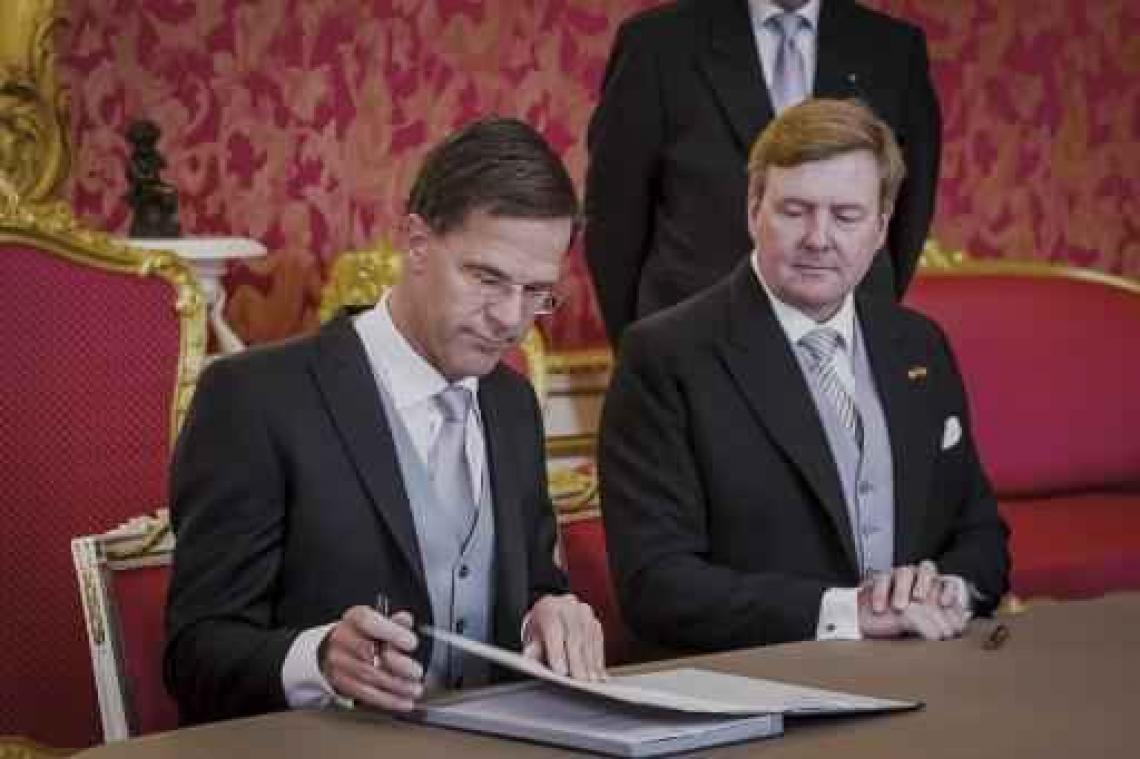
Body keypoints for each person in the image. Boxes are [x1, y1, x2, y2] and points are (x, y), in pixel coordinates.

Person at [164, 117, 606, 724]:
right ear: (417, 243)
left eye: (536, 291)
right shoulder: (253, 399)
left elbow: (533, 583)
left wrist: (547, 615)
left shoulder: (513, 404)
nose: (510, 318)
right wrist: (318, 659)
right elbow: (194, 655)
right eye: (487, 279)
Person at [598, 99, 1007, 653]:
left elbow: (981, 535)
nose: (818, 238)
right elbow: (657, 586)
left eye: (846, 216)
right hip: (759, 681)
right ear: (753, 211)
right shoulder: (664, 356)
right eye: (795, 211)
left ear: (881, 227)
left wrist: (946, 589)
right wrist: (846, 613)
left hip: (925, 669)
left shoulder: (920, 345)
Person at [584, 0, 941, 345]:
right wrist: (640, 351)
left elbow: (910, 212)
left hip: (846, 336)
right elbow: (614, 219)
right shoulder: (657, 43)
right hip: (695, 339)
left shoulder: (894, 47)